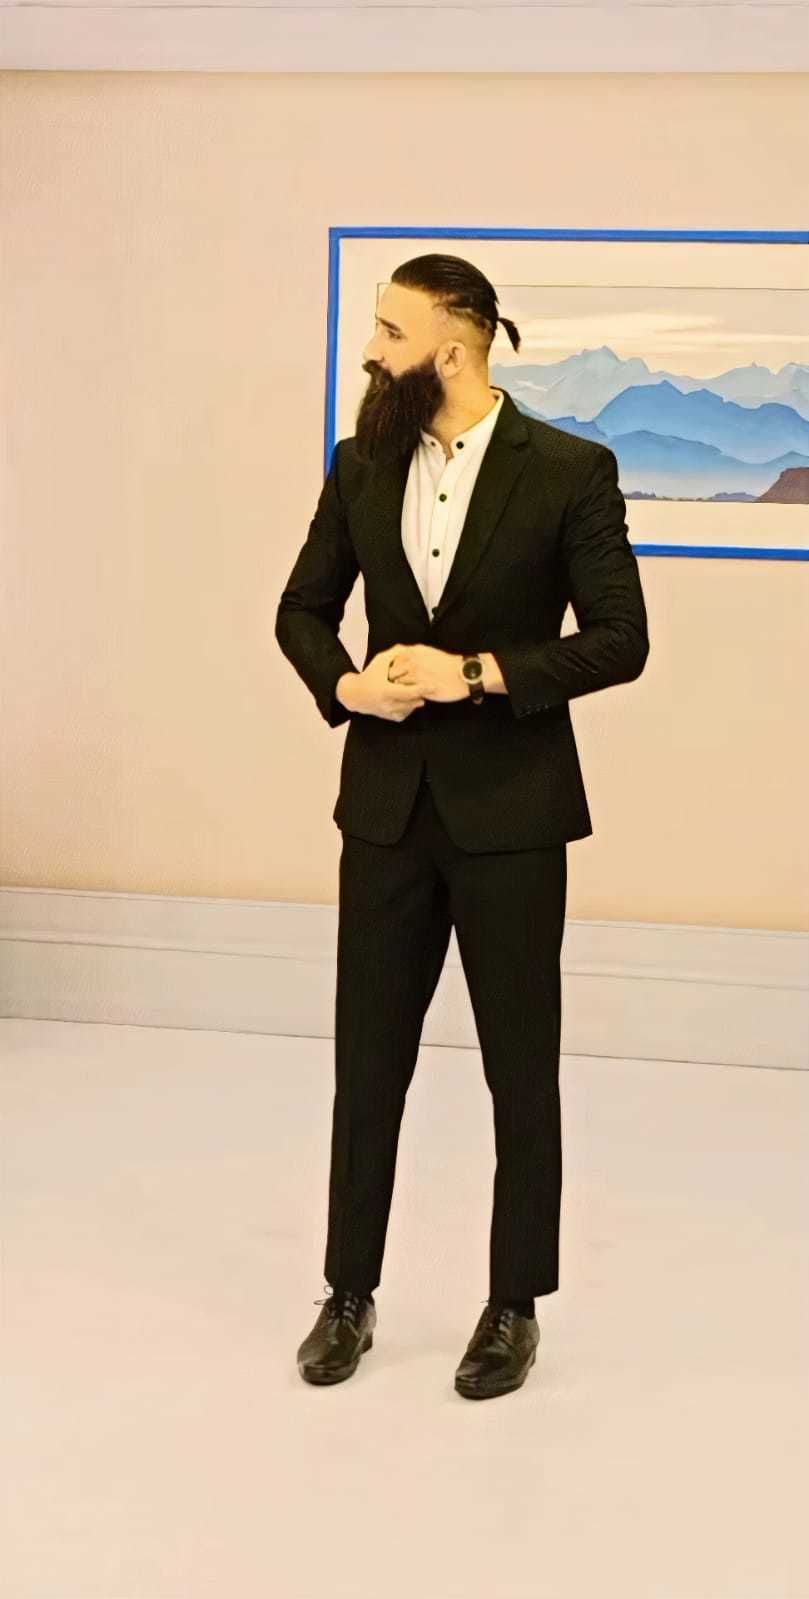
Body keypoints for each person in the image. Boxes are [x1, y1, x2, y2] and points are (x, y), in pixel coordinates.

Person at [276, 253, 650, 1399]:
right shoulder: (359, 464)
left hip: (513, 816)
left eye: (389, 333)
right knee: (366, 1066)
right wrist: (349, 687)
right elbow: (300, 611)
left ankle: (512, 1305)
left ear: (451, 346)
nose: (370, 351)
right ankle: (347, 1292)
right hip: (384, 813)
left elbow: (619, 640)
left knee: (518, 1071)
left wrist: (474, 673)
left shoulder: (570, 470)